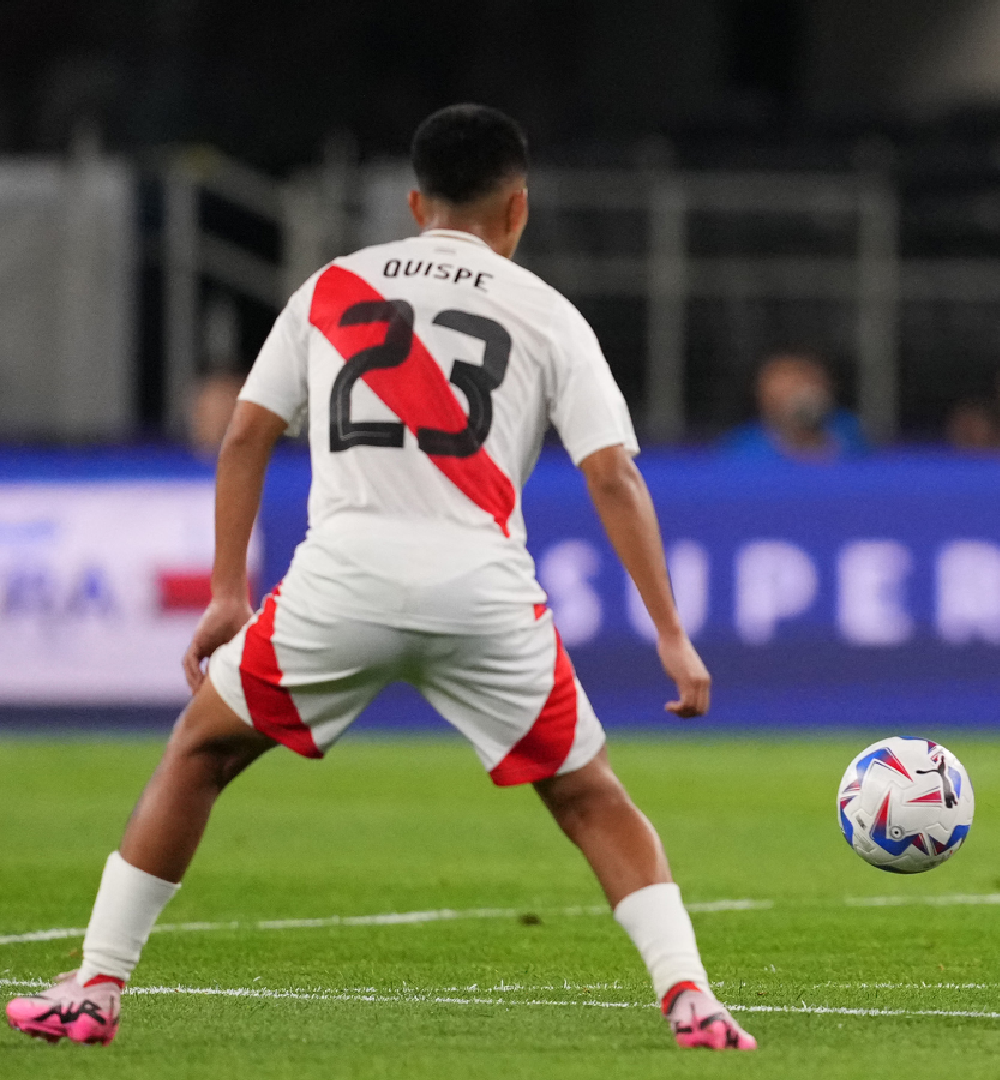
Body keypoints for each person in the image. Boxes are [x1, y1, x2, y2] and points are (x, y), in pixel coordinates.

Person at [6, 105, 755, 1051]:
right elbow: (613, 475)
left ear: (414, 201)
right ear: (517, 208)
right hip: (480, 588)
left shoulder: (333, 286)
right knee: (588, 794)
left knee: (199, 753)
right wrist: (671, 632)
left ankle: (96, 989)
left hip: (343, 579)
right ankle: (691, 995)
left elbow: (244, 435)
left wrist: (228, 597)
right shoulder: (547, 312)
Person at [723, 351, 867, 462]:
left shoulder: (851, 434)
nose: (804, 396)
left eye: (809, 382)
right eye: (788, 389)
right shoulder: (744, 451)